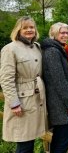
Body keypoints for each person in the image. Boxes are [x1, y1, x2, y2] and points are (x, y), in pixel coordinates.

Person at [0, 16, 47, 153]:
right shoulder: (10, 49)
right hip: (22, 101)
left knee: (31, 140)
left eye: (31, 27)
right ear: (18, 30)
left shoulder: (37, 47)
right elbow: (6, 79)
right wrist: (14, 103)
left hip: (37, 99)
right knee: (24, 143)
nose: (29, 30)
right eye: (25, 27)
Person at [41, 22, 68, 153]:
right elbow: (59, 80)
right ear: (54, 34)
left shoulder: (62, 49)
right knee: (64, 140)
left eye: (67, 32)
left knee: (59, 138)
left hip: (61, 101)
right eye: (62, 32)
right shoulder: (52, 51)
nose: (65, 35)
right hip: (60, 103)